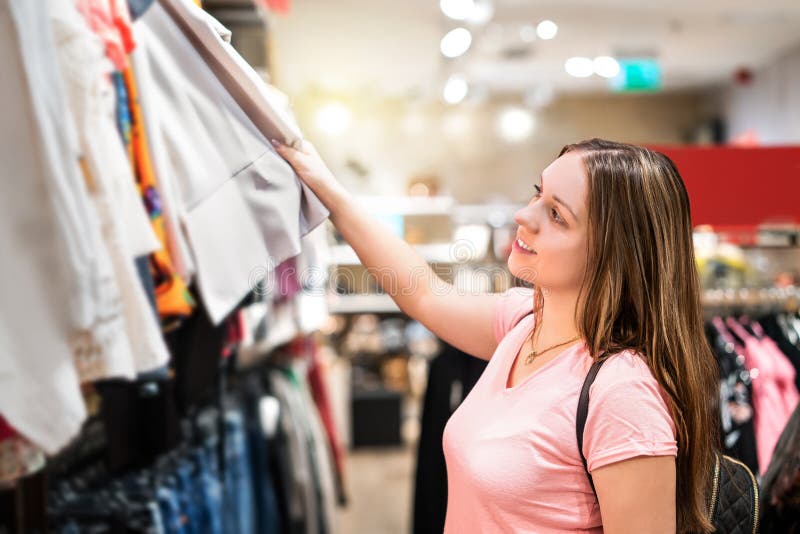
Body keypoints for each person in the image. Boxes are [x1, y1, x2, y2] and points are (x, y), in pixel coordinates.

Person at [273, 137, 719, 533]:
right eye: (537, 193)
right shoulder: (525, 324)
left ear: (613, 252)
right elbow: (424, 292)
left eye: (556, 215)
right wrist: (325, 186)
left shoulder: (622, 394)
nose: (523, 216)